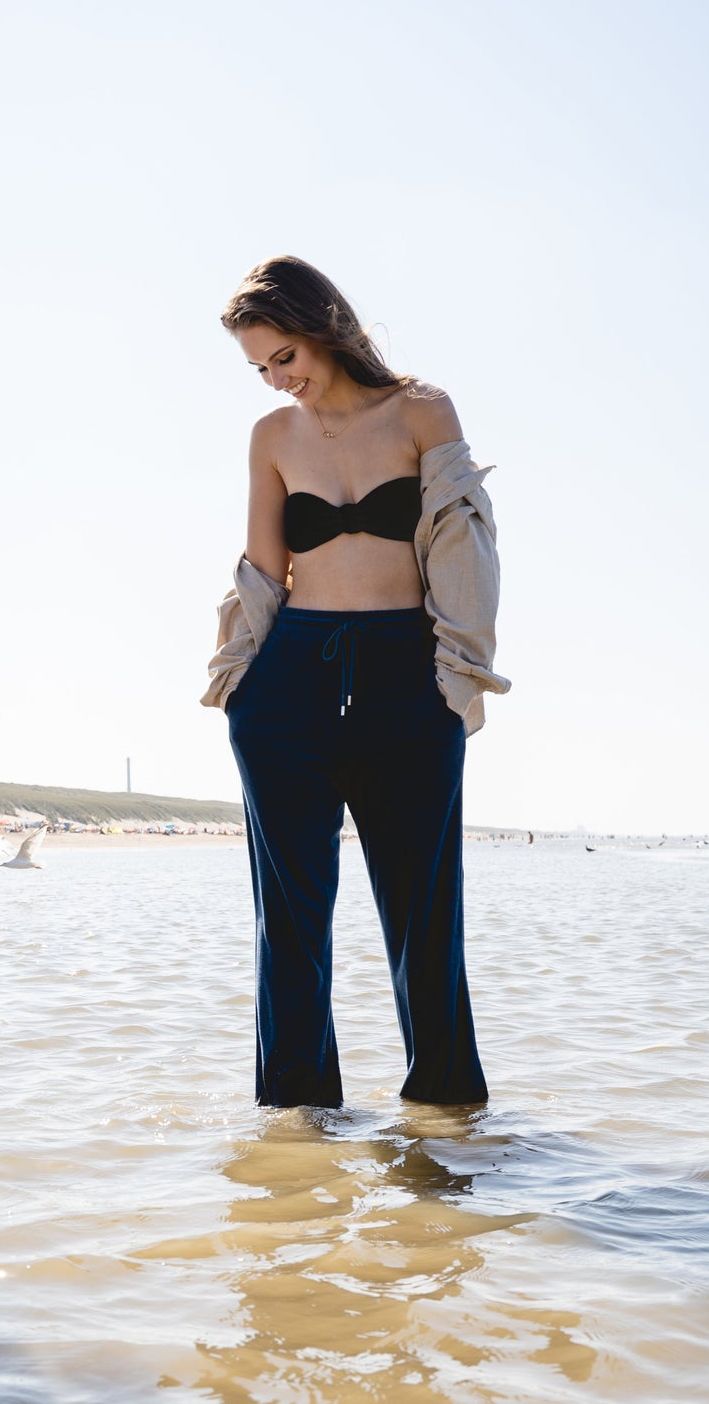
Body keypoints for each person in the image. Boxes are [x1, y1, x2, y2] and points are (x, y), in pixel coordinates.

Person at [204, 255, 508, 1108]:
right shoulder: (272, 438)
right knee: (289, 927)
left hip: (407, 679)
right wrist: (240, 690)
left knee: (424, 920)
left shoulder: (420, 410)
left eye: (283, 359)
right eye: (260, 369)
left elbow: (465, 549)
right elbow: (261, 573)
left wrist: (455, 681)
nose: (276, 381)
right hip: (287, 684)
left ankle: (445, 1129)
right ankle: (297, 1141)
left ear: (322, 328)